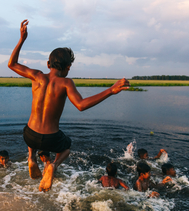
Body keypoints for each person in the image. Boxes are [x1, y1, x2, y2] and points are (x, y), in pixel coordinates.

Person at [8, 20, 130, 192]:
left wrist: (22, 39)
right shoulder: (66, 83)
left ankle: (31, 158)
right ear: (67, 67)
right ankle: (53, 166)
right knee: (66, 147)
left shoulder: (36, 76)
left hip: (30, 137)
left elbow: (11, 64)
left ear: (48, 64)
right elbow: (81, 105)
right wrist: (110, 90)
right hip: (51, 138)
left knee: (29, 129)